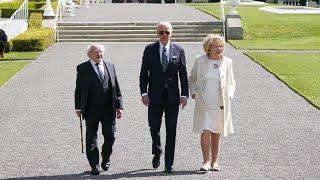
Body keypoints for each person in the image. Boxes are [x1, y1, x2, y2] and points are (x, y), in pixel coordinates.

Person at [139, 22, 188, 173]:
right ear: (157, 34)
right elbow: (143, 73)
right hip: (154, 96)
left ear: (171, 33)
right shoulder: (149, 49)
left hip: (173, 97)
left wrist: (184, 94)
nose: (164, 35)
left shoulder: (179, 50)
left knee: (171, 130)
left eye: (167, 32)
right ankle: (157, 149)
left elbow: (183, 74)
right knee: (154, 127)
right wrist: (144, 93)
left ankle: (168, 163)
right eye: (161, 32)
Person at [189, 34, 236, 172]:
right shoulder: (200, 60)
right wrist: (193, 93)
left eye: (221, 46)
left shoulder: (228, 62)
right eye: (216, 46)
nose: (219, 49)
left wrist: (230, 94)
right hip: (204, 103)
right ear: (208, 47)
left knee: (217, 133)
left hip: (220, 103)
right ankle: (205, 162)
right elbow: (192, 79)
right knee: (205, 132)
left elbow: (232, 82)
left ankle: (215, 162)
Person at [74, 43, 123, 175]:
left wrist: (119, 106)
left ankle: (105, 156)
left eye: (101, 52)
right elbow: (78, 89)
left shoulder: (110, 66)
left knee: (111, 136)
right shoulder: (82, 68)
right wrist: (78, 107)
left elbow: (116, 87)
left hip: (108, 108)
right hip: (91, 109)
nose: (99, 54)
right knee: (91, 137)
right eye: (96, 52)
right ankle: (94, 165)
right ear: (90, 54)